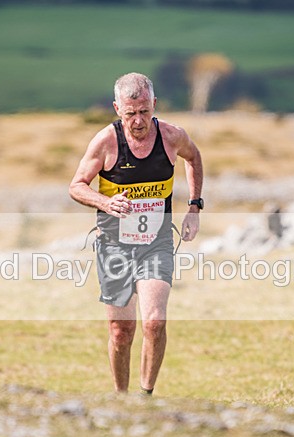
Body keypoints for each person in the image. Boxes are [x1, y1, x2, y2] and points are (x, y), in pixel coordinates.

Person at [69, 72, 204, 395]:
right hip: (113, 246)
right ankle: (121, 398)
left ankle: (145, 396)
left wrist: (194, 207)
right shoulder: (105, 142)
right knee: (121, 331)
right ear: (118, 109)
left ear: (154, 104)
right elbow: (76, 186)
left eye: (145, 111)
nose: (139, 121)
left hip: (156, 244)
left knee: (154, 323)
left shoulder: (171, 136)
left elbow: (194, 158)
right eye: (131, 114)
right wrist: (105, 202)